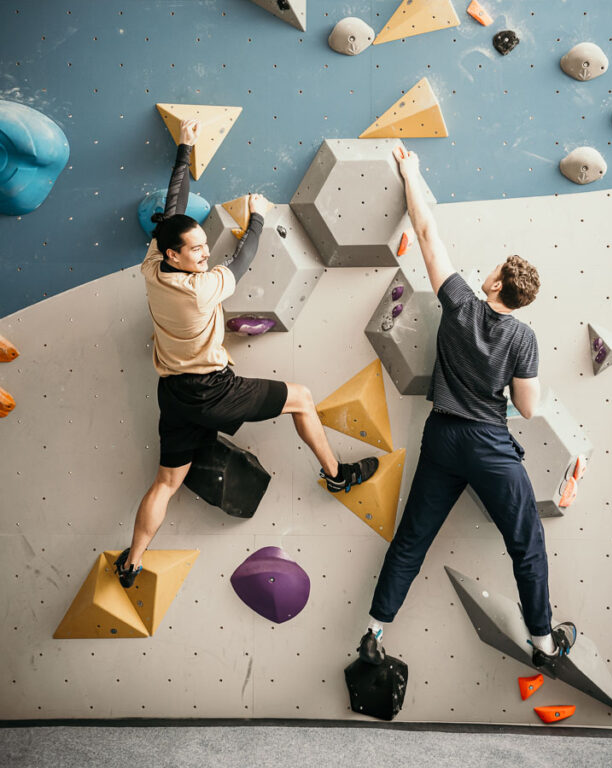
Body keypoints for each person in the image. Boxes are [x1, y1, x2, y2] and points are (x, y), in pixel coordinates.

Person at [114, 119, 378, 588]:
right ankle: (337, 475)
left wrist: (184, 149)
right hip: (212, 389)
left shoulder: (152, 267)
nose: (204, 254)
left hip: (173, 394)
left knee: (166, 483)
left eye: (203, 246)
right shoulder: (201, 289)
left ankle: (131, 562)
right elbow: (243, 260)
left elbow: (172, 210)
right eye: (196, 250)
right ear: (173, 255)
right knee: (302, 398)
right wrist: (257, 217)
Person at [356, 144, 576, 672]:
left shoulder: (458, 304)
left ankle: (374, 632)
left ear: (496, 285)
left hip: (442, 437)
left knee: (412, 538)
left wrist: (410, 172)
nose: (486, 270)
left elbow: (426, 233)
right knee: (526, 543)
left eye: (493, 269)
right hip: (488, 443)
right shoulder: (523, 338)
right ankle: (544, 644)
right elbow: (527, 408)